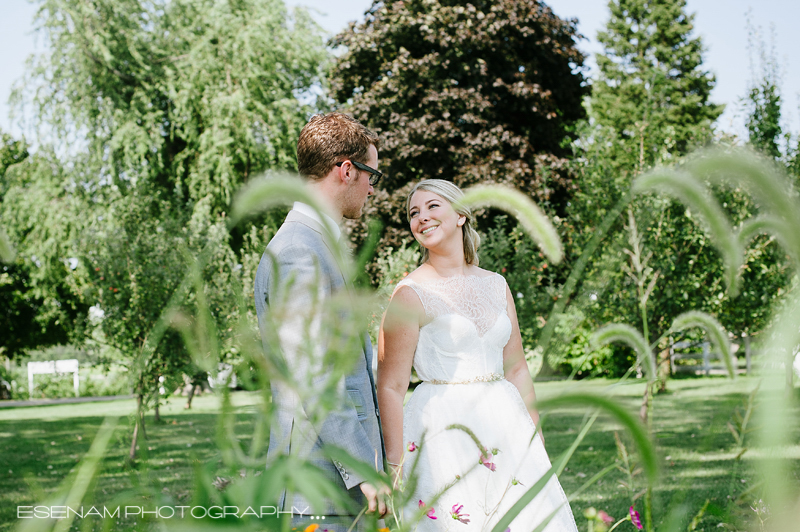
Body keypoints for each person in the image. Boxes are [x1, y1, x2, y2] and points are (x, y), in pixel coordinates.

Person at [378, 179, 578, 531]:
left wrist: (535, 435)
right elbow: (391, 385)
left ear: (460, 215)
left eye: (432, 206)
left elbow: (516, 369)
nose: (421, 217)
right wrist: (395, 465)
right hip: (441, 430)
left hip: (506, 423)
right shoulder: (410, 294)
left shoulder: (496, 284)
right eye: (413, 212)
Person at [254, 113, 388, 530]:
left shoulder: (314, 244)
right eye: (372, 174)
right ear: (346, 169)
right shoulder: (300, 251)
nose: (371, 187)